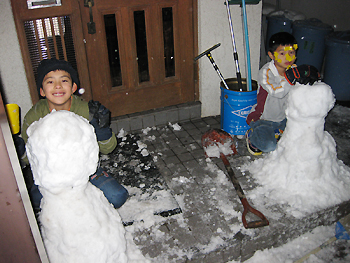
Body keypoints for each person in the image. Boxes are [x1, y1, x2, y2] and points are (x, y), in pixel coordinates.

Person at [21, 58, 128, 209]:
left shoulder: (86, 111)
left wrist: (102, 131)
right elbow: (29, 159)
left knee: (117, 197)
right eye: (50, 82)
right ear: (42, 91)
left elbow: (108, 148)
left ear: (73, 87)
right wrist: (20, 151)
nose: (58, 86)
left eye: (64, 80)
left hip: (86, 171)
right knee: (34, 204)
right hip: (53, 174)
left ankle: (87, 202)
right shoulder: (34, 117)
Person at [245, 32, 320, 155]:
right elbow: (277, 92)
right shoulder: (266, 72)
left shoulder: (293, 70)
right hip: (263, 119)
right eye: (282, 53)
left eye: (291, 52)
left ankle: (277, 132)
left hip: (284, 118)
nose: (288, 57)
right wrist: (291, 78)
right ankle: (252, 134)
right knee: (269, 146)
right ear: (271, 55)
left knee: (302, 141)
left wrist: (310, 82)